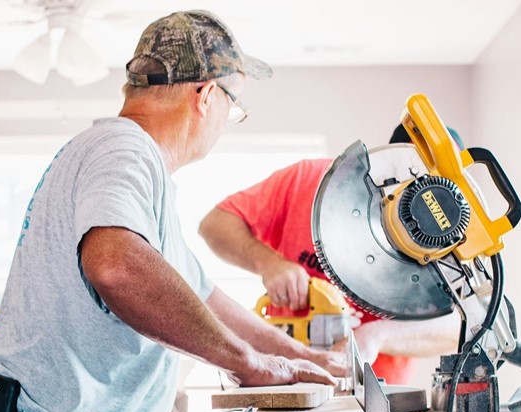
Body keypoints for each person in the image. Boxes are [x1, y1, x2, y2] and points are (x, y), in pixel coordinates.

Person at [0, 11, 346, 412]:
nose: (228, 120)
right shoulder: (124, 150)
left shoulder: (128, 165)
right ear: (206, 95)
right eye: (235, 106)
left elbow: (205, 296)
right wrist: (246, 364)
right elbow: (115, 266)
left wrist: (302, 360)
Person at [199, 125, 466, 385]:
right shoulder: (309, 181)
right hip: (283, 378)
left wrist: (376, 336)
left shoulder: (447, 241)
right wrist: (267, 263)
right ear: (388, 158)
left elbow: (461, 327)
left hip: (375, 396)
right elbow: (214, 224)